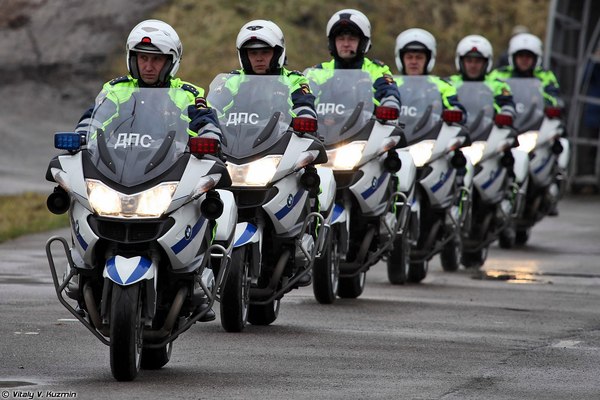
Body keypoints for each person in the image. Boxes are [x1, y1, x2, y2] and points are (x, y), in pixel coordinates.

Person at [76, 19, 221, 141]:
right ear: (133, 59)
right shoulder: (117, 90)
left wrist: (210, 138)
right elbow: (94, 119)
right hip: (118, 167)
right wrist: (82, 137)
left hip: (174, 169)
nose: (148, 67)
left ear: (171, 62)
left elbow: (205, 122)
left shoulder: (187, 94)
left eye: (157, 59)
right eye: (143, 58)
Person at [208, 19, 317, 121]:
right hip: (235, 140)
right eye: (253, 53)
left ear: (277, 53)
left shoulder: (294, 80)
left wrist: (305, 116)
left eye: (265, 52)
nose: (259, 58)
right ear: (244, 56)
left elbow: (303, 105)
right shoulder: (232, 81)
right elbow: (212, 108)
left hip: (283, 140)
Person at [307, 9, 401, 111]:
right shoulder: (318, 72)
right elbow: (305, 96)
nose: (346, 44)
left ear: (363, 42)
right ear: (332, 43)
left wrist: (390, 101)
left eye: (352, 39)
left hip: (368, 126)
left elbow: (388, 89)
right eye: (341, 39)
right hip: (324, 126)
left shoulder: (377, 70)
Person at [394, 28, 466, 119]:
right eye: (409, 57)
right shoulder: (391, 85)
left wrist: (454, 112)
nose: (414, 61)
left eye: (419, 57)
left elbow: (457, 109)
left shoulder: (443, 87)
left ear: (428, 60)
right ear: (401, 59)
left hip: (432, 133)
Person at [448, 34, 516, 118]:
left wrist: (503, 113)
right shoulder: (450, 84)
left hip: (490, 129)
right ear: (461, 62)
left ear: (486, 63)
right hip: (456, 129)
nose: (473, 65)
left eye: (478, 61)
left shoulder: (498, 85)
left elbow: (507, 105)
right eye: (469, 61)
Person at [490, 33, 562, 108]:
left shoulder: (545, 75)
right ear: (513, 57)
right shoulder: (499, 74)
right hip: (509, 115)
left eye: (528, 56)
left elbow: (554, 99)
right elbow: (488, 95)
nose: (524, 60)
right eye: (520, 56)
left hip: (538, 116)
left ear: (535, 59)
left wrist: (541, 98)